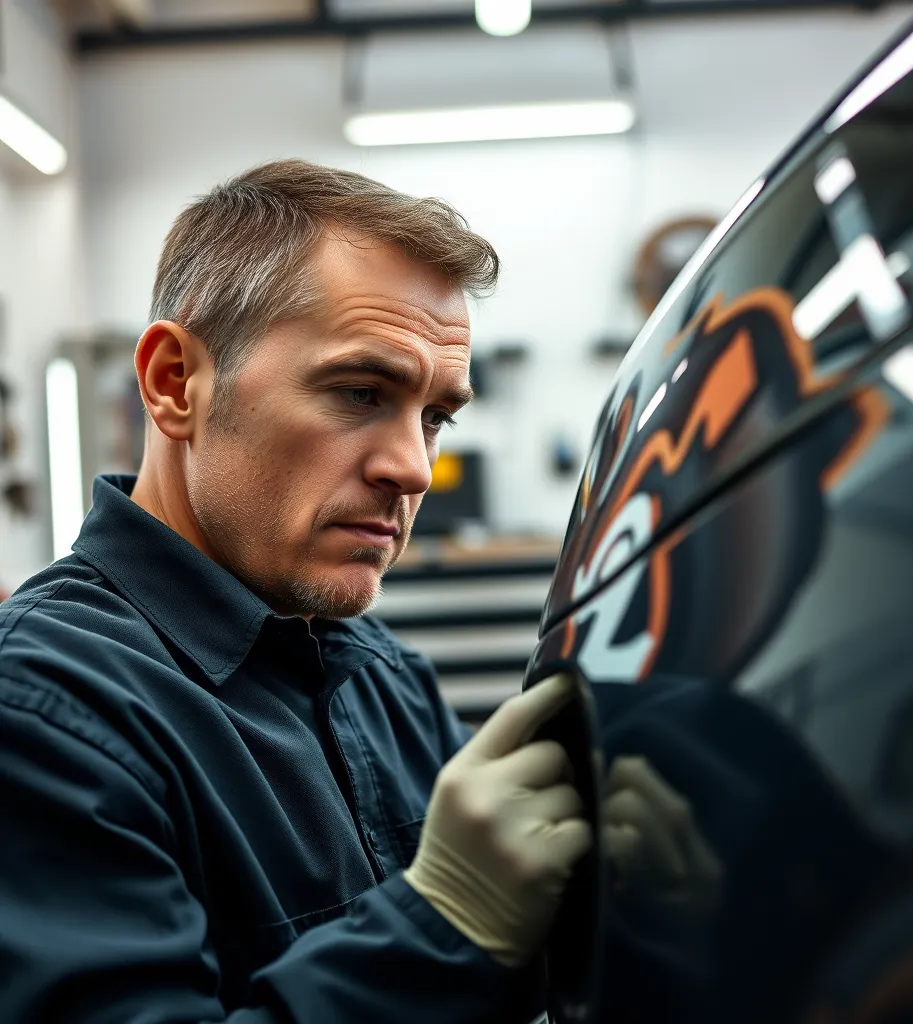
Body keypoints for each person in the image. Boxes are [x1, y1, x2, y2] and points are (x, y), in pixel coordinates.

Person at [0, 159, 593, 1023]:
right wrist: (445, 928)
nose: (415, 468)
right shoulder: (43, 714)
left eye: (434, 416)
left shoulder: (380, 677)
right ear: (175, 384)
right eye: (360, 393)